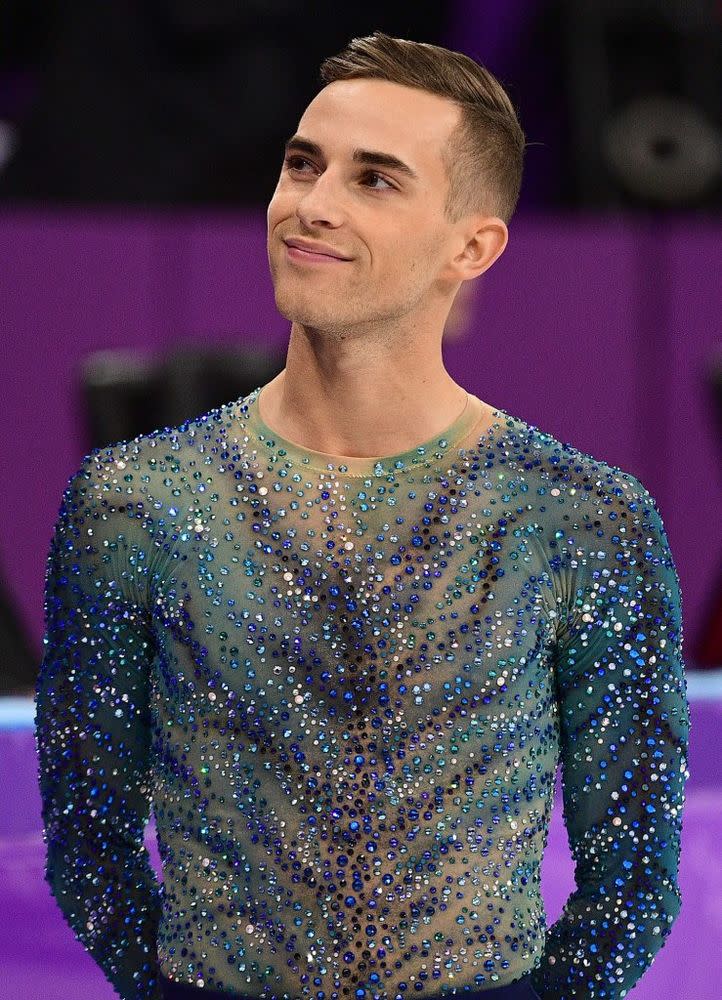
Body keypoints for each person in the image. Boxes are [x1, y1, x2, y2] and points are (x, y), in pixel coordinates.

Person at [34, 30, 690, 1000]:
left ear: (470, 245)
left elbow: (632, 876)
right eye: (302, 164)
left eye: (373, 179)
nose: (310, 204)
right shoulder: (136, 502)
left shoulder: (580, 518)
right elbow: (87, 844)